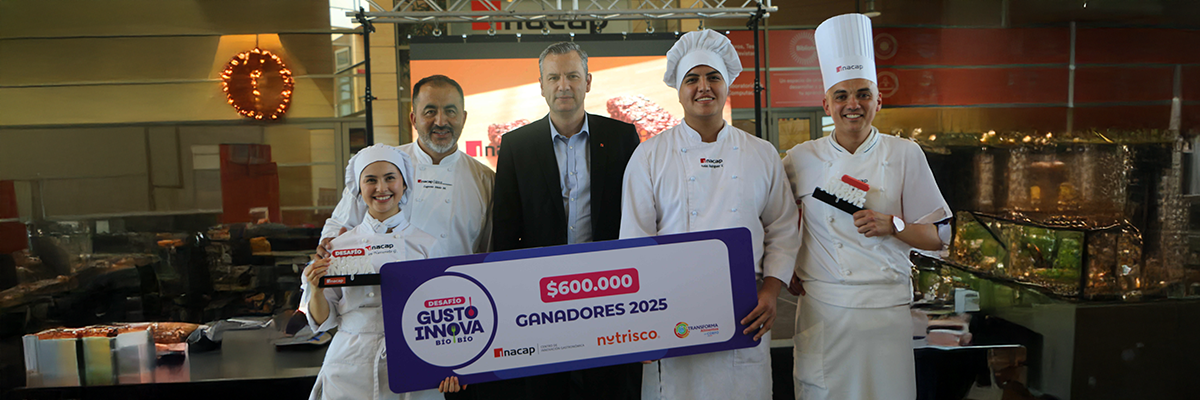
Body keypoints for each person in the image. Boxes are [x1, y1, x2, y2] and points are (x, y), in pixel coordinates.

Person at [619, 29, 801, 400]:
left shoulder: (761, 153)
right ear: (678, 90)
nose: (703, 87)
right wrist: (640, 320)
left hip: (745, 309)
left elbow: (783, 227)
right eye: (692, 79)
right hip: (671, 309)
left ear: (727, 83)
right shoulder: (650, 156)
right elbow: (634, 242)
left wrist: (771, 290)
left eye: (713, 77)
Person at [782, 13, 953, 400]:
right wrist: (786, 265)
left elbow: (940, 236)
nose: (852, 104)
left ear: (879, 100)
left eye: (862, 94)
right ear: (826, 104)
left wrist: (894, 225)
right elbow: (773, 220)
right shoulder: (800, 158)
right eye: (841, 96)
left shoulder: (905, 154)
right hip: (825, 310)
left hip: (886, 312)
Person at [481, 41, 642, 400]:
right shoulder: (517, 146)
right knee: (547, 390)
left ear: (588, 81)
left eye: (572, 76)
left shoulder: (621, 138)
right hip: (542, 299)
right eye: (553, 77)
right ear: (541, 85)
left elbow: (638, 215)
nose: (563, 85)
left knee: (609, 388)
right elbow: (506, 228)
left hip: (609, 294)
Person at [301, 144, 464, 399]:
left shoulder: (427, 245)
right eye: (370, 180)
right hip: (349, 365)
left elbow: (445, 314)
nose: (381, 188)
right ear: (358, 188)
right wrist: (316, 289)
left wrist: (452, 365)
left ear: (404, 184)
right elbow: (323, 321)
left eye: (390, 178)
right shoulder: (338, 246)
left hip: (415, 360)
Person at [318, 75, 494, 259]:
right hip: (387, 277)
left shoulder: (484, 179)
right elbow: (340, 225)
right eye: (430, 112)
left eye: (450, 111)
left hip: (459, 277)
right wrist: (329, 243)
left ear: (463, 118)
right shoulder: (384, 163)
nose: (441, 121)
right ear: (413, 119)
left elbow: (490, 251)